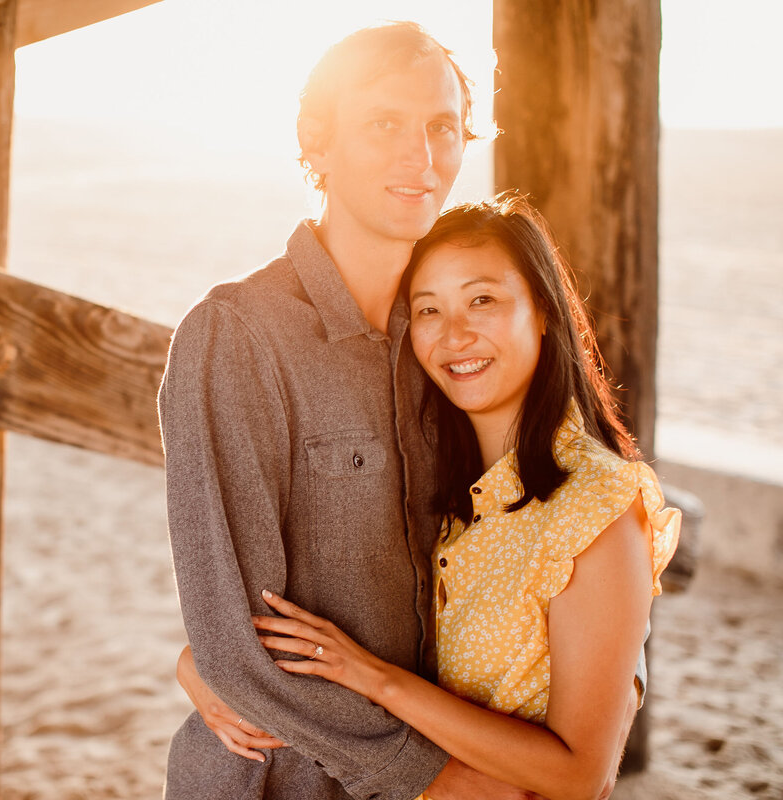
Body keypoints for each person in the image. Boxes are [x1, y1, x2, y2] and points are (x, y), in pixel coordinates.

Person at [158, 22, 551, 799]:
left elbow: (565, 503)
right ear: (318, 139)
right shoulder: (236, 338)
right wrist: (433, 782)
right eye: (385, 125)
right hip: (279, 780)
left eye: (443, 127)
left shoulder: (454, 344)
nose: (423, 155)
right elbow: (237, 647)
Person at [250, 196, 680, 799]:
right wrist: (201, 666)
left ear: (544, 311)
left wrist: (378, 680)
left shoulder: (596, 504)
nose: (455, 335)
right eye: (428, 309)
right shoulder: (432, 493)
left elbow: (581, 774)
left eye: (483, 300)